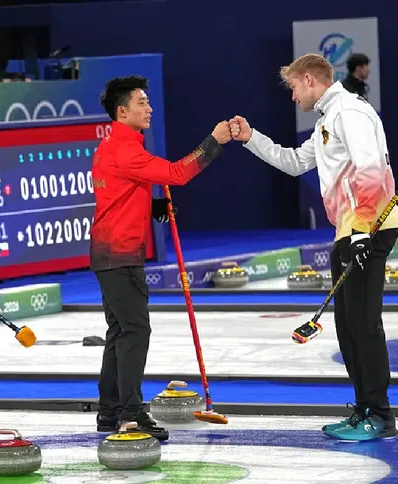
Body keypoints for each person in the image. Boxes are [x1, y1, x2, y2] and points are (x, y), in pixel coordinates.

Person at [229, 53, 398, 442]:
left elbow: (370, 167)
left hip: (368, 228)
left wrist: (361, 232)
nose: (293, 97)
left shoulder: (349, 111)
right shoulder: (327, 119)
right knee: (348, 328)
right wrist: (250, 137)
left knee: (364, 325)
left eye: (293, 88)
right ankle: (364, 409)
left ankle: (381, 416)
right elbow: (292, 162)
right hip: (350, 231)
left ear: (309, 79)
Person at [90, 75, 232, 441]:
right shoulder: (127, 150)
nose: (149, 108)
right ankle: (130, 414)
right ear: (122, 112)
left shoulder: (110, 146)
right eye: (142, 102)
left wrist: (149, 204)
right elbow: (176, 174)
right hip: (121, 254)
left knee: (120, 331)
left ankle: (110, 410)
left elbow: (118, 191)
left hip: (108, 251)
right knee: (134, 331)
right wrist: (214, 142)